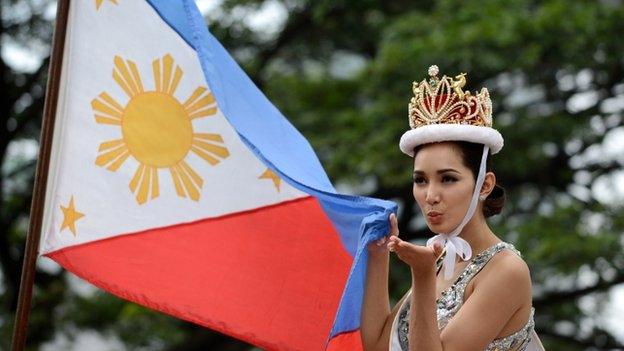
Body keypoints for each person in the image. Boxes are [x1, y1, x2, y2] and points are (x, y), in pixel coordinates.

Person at [360, 65, 546, 351]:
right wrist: (377, 255)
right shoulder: (440, 259)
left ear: (484, 184)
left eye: (448, 179)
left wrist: (422, 276)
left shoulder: (507, 270)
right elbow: (375, 346)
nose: (431, 195)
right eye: (420, 180)